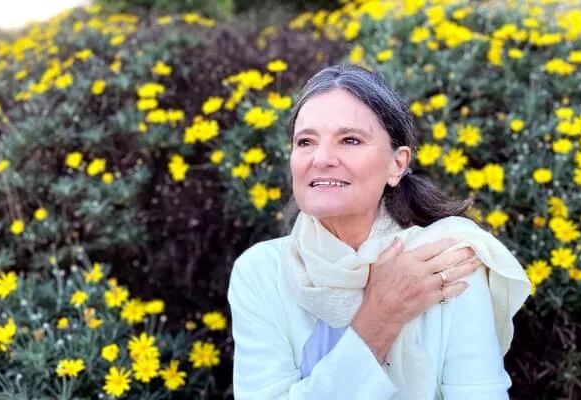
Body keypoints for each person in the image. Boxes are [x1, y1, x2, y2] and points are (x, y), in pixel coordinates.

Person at [227, 64, 531, 399]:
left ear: (397, 164)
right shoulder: (261, 272)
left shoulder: (443, 262)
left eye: (350, 140)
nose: (321, 158)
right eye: (306, 141)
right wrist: (378, 318)